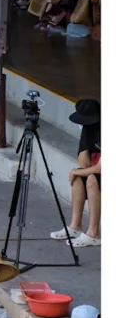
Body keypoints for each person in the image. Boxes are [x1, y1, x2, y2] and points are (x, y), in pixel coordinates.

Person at [53, 99, 101, 247]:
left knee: (91, 178)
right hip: (98, 172)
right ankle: (75, 226)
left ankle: (94, 233)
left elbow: (101, 168)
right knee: (78, 177)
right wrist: (85, 138)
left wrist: (77, 171)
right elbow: (85, 163)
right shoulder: (91, 131)